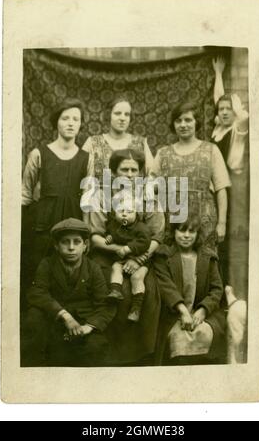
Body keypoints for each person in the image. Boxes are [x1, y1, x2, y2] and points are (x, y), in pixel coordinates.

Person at [88, 149, 165, 365]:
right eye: (124, 169)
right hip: (107, 255)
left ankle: (142, 356)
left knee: (147, 292)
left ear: (141, 173)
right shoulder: (102, 197)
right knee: (112, 291)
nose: (130, 174)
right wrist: (121, 252)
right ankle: (110, 355)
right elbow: (95, 238)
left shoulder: (149, 199)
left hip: (143, 257)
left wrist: (137, 259)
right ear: (113, 172)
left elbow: (157, 237)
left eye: (135, 170)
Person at [21, 218, 116, 367]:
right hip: (54, 319)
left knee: (96, 348)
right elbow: (37, 293)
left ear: (85, 245)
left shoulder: (93, 268)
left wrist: (89, 327)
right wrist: (64, 316)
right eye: (65, 242)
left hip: (83, 322)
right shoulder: (47, 264)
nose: (71, 247)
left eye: (77, 242)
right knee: (34, 322)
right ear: (56, 246)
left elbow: (104, 304)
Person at [21, 98, 90, 281]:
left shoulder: (86, 159)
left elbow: (89, 200)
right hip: (43, 226)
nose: (70, 123)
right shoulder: (39, 154)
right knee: (39, 274)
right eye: (65, 118)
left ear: (81, 124)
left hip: (73, 222)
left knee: (70, 276)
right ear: (56, 122)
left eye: (76, 119)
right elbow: (25, 195)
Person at [151, 101, 231, 248]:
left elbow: (221, 189)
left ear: (196, 122)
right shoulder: (163, 153)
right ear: (173, 125)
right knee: (171, 266)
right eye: (178, 121)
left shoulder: (211, 150)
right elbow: (150, 189)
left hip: (204, 221)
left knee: (204, 264)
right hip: (172, 223)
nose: (183, 125)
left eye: (188, 120)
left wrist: (222, 223)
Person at [153, 213, 226, 365]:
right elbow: (166, 287)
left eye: (191, 231)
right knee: (178, 340)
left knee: (206, 335)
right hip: (174, 314)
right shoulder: (164, 256)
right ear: (173, 232)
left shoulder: (208, 257)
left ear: (197, 234)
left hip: (202, 314)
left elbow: (217, 289)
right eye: (181, 230)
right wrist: (183, 311)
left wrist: (203, 310)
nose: (186, 235)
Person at [211, 57, 249, 298]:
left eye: (228, 110)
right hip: (216, 188)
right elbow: (218, 100)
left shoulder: (238, 130)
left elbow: (242, 116)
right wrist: (218, 73)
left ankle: (231, 290)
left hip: (233, 190)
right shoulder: (218, 129)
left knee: (228, 238)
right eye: (221, 110)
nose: (224, 112)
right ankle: (220, 287)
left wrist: (236, 109)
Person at [82, 96, 154, 181]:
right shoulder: (92, 143)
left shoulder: (141, 143)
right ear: (109, 115)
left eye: (126, 114)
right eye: (117, 113)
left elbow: (152, 176)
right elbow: (83, 176)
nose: (122, 118)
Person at [104, 199, 151, 322]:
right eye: (121, 211)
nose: (124, 214)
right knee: (115, 267)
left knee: (137, 278)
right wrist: (110, 237)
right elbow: (112, 233)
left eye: (129, 212)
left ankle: (136, 308)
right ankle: (116, 290)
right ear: (115, 213)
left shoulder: (141, 228)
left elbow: (144, 243)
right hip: (122, 259)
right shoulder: (115, 225)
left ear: (137, 214)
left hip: (140, 260)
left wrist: (128, 248)